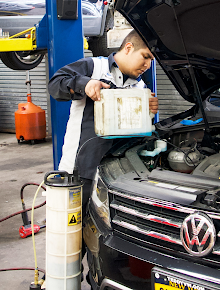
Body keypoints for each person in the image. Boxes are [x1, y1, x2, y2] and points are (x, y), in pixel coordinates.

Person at [48, 30, 159, 209]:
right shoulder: (94, 67)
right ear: (129, 48)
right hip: (82, 172)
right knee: (74, 230)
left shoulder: (140, 86)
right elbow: (55, 85)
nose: (147, 64)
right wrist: (85, 84)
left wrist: (149, 112)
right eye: (145, 57)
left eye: (151, 60)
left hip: (119, 174)